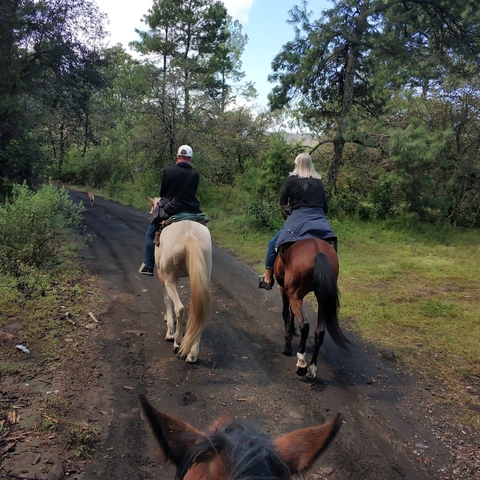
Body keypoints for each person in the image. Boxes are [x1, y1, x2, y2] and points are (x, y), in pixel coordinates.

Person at [259, 152, 337, 290]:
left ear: (297, 164)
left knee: (272, 245)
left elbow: (283, 203)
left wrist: (289, 215)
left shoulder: (291, 179)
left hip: (298, 220)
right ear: (310, 165)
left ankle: (267, 279)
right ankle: (331, 275)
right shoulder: (318, 182)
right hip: (319, 220)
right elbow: (325, 207)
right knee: (332, 247)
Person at [139, 145, 202, 276]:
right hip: (191, 210)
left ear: (178, 157)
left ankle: (148, 265)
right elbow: (192, 193)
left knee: (150, 233)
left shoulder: (168, 171)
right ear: (190, 159)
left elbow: (163, 193)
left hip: (171, 210)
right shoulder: (195, 175)